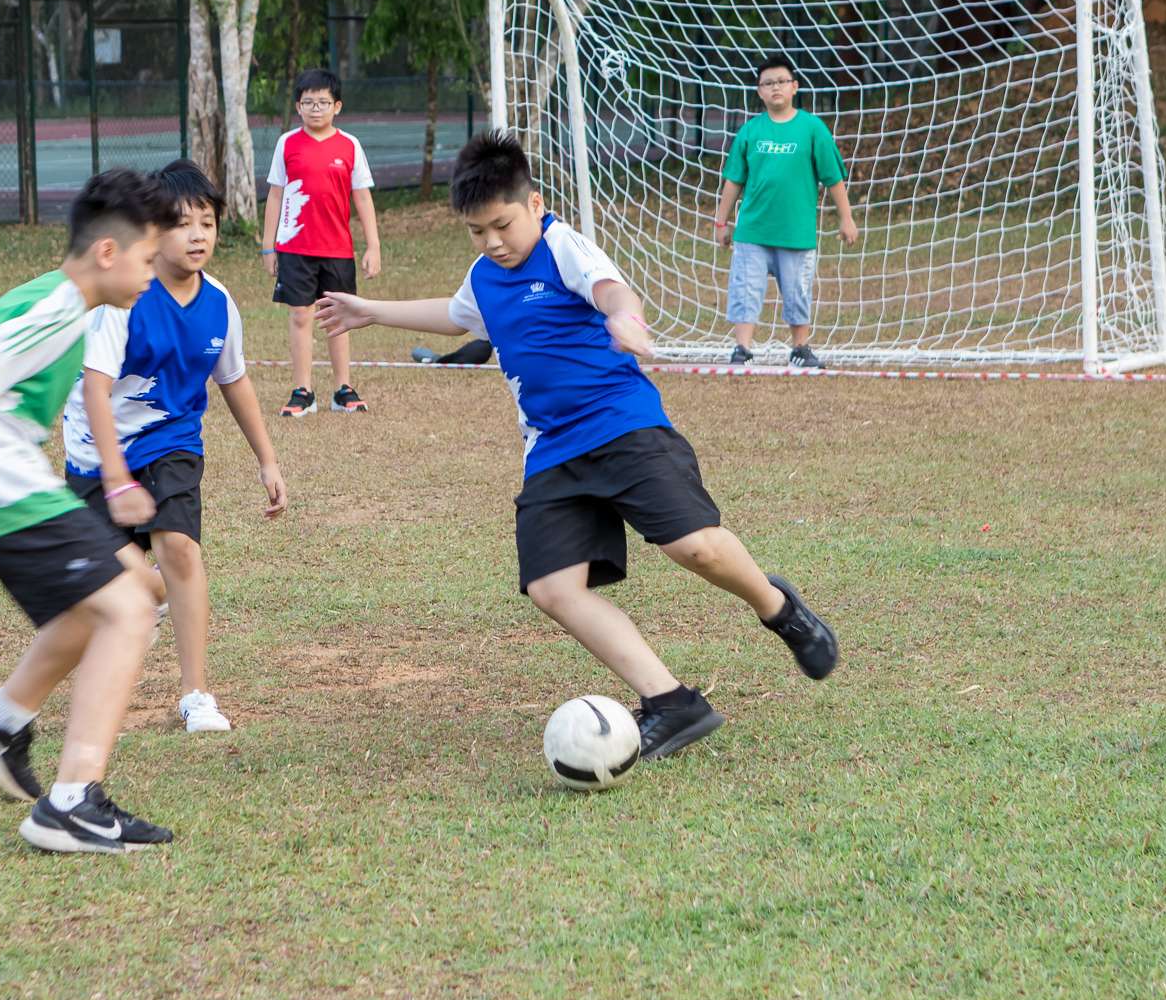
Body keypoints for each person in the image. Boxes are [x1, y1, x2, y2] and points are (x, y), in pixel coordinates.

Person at [316, 131, 839, 761]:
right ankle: (672, 703)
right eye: (477, 232)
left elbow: (608, 288)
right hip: (552, 451)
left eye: (502, 226)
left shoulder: (562, 244)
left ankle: (779, 607)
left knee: (693, 546)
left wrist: (624, 317)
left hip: (623, 424)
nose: (492, 243)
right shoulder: (486, 275)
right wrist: (369, 309)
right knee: (552, 587)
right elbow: (457, 315)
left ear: (533, 204)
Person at [0, 169, 181, 855]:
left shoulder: (71, 307)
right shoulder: (56, 306)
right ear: (109, 254)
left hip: (16, 476)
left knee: (140, 588)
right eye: (148, 257)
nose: (154, 271)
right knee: (128, 609)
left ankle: (0, 716)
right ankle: (73, 801)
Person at [60, 159, 290, 735]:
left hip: (173, 442)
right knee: (115, 586)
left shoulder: (220, 304)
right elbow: (95, 389)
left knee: (180, 548)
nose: (197, 236)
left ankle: (196, 694)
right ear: (151, 231)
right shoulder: (123, 299)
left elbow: (233, 380)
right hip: (98, 452)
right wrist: (114, 479)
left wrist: (268, 460)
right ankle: (149, 593)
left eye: (207, 224)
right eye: (181, 223)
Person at [715, 56, 859, 368]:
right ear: (759, 92)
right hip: (753, 230)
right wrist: (721, 221)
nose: (775, 87)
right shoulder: (751, 131)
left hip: (796, 232)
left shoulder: (811, 128)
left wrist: (846, 218)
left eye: (781, 81)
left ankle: (800, 348)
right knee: (746, 290)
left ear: (794, 87)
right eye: (768, 83)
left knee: (797, 293)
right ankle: (742, 349)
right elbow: (733, 180)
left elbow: (833, 177)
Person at [263, 68, 381, 415]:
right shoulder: (287, 143)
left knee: (337, 318)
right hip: (295, 248)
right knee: (301, 316)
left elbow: (362, 198)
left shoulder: (350, 146)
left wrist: (372, 245)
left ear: (337, 106)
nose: (316, 108)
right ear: (298, 106)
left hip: (337, 249)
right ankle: (303, 390)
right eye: (309, 102)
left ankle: (342, 388)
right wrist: (268, 246)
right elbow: (274, 196)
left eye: (324, 102)